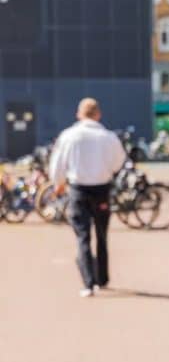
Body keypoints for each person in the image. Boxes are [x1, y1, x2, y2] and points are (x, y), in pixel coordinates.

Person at [48, 98, 127, 297]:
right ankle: (103, 278)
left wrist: (58, 183)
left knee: (83, 236)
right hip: (102, 189)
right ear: (98, 114)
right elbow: (119, 161)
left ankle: (88, 283)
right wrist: (107, 170)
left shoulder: (69, 136)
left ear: (78, 114)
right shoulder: (108, 137)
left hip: (78, 190)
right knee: (101, 235)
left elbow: (57, 164)